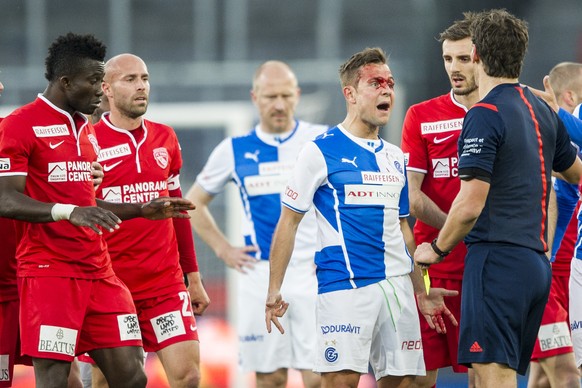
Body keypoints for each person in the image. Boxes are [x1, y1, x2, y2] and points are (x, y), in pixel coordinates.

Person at [0, 33, 195, 388]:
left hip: (100, 273)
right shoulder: (19, 125)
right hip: (50, 273)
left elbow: (88, 205)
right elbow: (5, 200)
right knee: (57, 380)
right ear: (66, 82)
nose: (99, 90)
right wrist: (68, 212)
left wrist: (141, 210)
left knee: (132, 375)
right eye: (93, 82)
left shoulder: (84, 130)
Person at [265, 47, 458, 388]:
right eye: (376, 83)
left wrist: (422, 291)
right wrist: (274, 288)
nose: (387, 90)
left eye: (390, 83)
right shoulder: (320, 150)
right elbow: (289, 221)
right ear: (350, 94)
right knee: (340, 382)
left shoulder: (396, 158)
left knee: (407, 382)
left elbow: (404, 231)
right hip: (345, 288)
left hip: (397, 288)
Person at [414, 9, 582, 387]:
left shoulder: (484, 113)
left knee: (494, 380)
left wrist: (436, 250)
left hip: (496, 265)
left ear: (476, 55)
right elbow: (575, 173)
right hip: (536, 266)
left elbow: (470, 204)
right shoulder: (541, 108)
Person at [186, 60, 324, 388]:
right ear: (254, 97)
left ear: (297, 95)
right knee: (270, 377)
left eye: (286, 95)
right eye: (270, 96)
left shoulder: (321, 140)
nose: (279, 104)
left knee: (318, 376)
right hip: (258, 275)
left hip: (313, 271)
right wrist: (223, 249)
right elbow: (192, 204)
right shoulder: (234, 149)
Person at [89, 53, 209, 388]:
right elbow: (83, 209)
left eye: (144, 78)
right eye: (130, 79)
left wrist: (193, 275)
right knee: (110, 381)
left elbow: (178, 211)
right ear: (106, 88)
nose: (141, 86)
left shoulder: (165, 138)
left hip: (164, 285)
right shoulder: (90, 142)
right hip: (113, 286)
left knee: (188, 376)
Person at [400, 12, 478, 388]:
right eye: (448, 59)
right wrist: (457, 228)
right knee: (417, 378)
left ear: (484, 58)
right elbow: (413, 198)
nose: (454, 68)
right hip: (433, 266)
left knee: (487, 374)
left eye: (464, 58)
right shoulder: (421, 115)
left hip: (485, 266)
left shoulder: (504, 111)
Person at [527, 63, 582, 388]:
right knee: (564, 373)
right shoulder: (551, 146)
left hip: (565, 275)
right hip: (554, 278)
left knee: (544, 378)